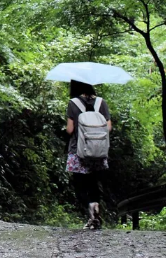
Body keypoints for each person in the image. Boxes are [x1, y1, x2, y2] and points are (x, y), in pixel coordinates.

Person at [66, 80, 112, 230]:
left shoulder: (73, 103)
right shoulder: (101, 102)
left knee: (80, 187)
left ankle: (91, 210)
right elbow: (109, 127)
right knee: (93, 184)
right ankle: (96, 211)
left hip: (78, 152)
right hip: (98, 152)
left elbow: (70, 130)